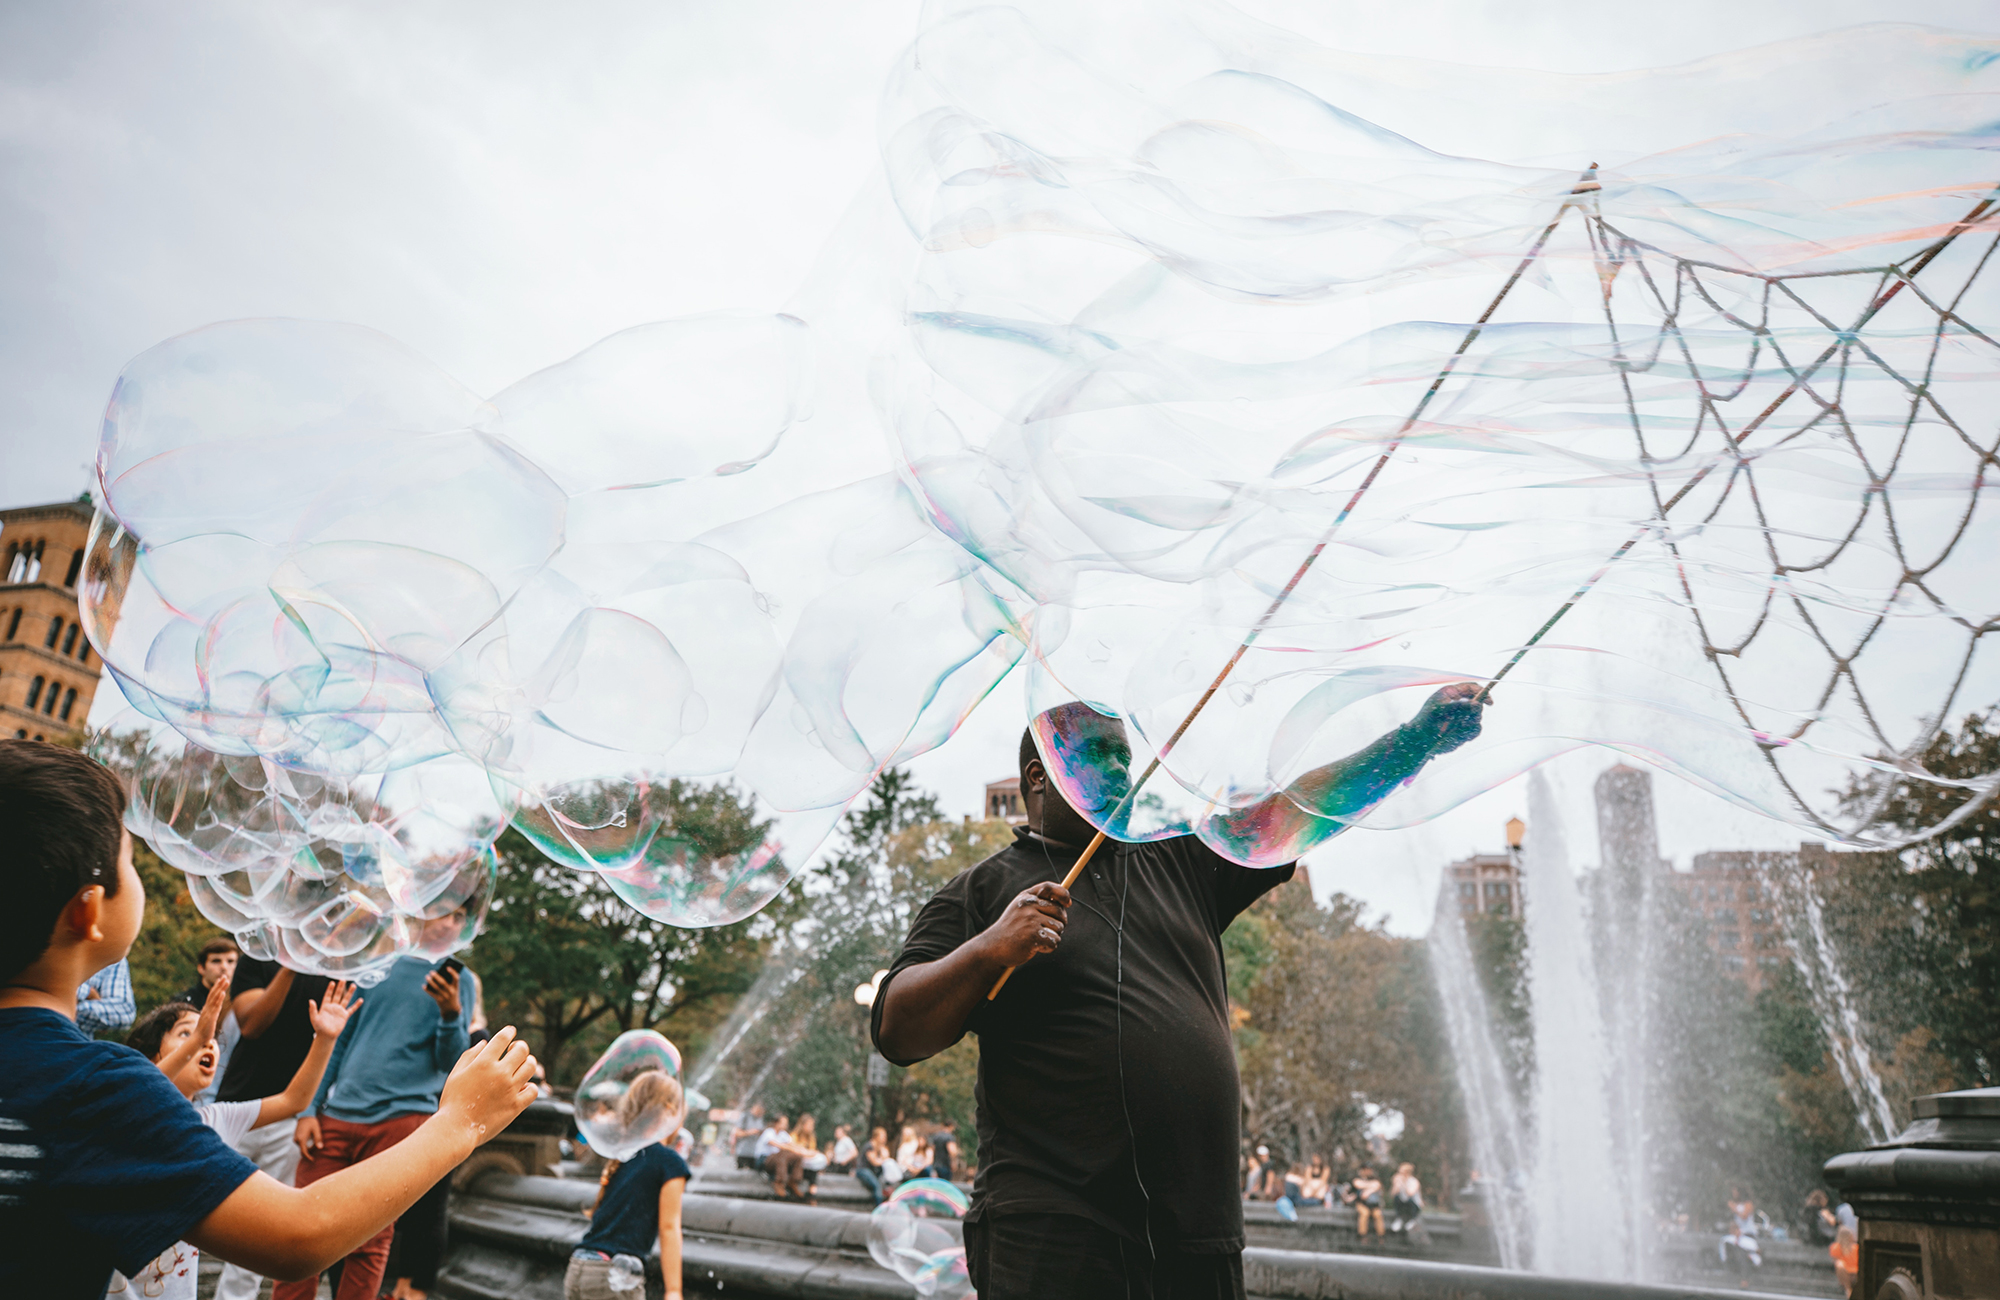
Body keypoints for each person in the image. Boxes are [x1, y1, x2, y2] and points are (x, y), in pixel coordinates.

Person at [872, 689, 1482, 1299]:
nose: (1123, 773)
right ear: (1040, 774)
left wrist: (1417, 739)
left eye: (1126, 759)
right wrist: (988, 949)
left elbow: (1300, 810)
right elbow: (898, 1030)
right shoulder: (979, 892)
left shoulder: (1180, 858)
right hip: (1053, 1231)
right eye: (1101, 756)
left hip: (1199, 1234)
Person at [0, 739, 540, 1300]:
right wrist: (460, 1123)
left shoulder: (84, 1093)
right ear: (88, 911)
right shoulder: (95, 1091)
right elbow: (296, 1236)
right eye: (131, 862)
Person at [108, 978, 359, 1300]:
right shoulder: (128, 1111)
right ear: (149, 1054)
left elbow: (293, 1100)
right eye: (186, 1033)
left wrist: (325, 1039)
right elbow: (144, 1089)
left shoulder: (217, 1119)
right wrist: (198, 1038)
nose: (207, 1041)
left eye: (212, 1036)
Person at [275, 956, 477, 1300]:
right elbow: (338, 1042)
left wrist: (450, 1013)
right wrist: (308, 1109)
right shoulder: (377, 966)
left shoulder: (462, 981)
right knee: (297, 1230)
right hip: (336, 1115)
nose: (446, 926)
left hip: (403, 1119)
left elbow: (451, 1062)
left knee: (370, 1241)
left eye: (456, 923)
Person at [209, 954, 331, 1300]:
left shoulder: (337, 966)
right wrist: (291, 965)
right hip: (237, 1108)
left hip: (293, 1115)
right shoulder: (258, 957)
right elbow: (251, 1024)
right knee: (189, 1209)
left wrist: (311, 1110)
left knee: (259, 1232)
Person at [570, 1071, 689, 1300]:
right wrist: (673, 1290)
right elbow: (669, 1228)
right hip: (615, 1274)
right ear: (670, 1112)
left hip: (579, 1265)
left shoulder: (623, 1154)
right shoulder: (669, 1162)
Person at [174, 938, 242, 1103]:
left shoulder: (242, 1004)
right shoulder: (184, 1003)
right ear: (201, 968)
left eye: (231, 961)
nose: (224, 967)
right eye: (216, 961)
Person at [75, 955, 135, 1037]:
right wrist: (88, 993)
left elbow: (124, 1013)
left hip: (77, 1041)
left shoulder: (114, 956)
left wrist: (70, 1007)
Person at [857, 1127, 894, 1205]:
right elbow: (874, 1162)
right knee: (877, 1185)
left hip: (872, 1171)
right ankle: (878, 1206)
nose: (885, 1138)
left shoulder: (879, 1147)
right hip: (863, 1170)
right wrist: (884, 1160)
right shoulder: (869, 1146)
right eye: (883, 1136)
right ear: (876, 1137)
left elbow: (885, 1157)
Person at [1350, 1168, 1385, 1239]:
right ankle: (1362, 1234)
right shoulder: (1357, 1178)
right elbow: (1357, 1184)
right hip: (1361, 1203)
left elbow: (1378, 1185)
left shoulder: (1375, 1178)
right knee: (1364, 1213)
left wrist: (1368, 1191)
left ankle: (1381, 1235)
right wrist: (1371, 1185)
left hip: (1373, 1204)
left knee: (1378, 1214)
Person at [731, 1103, 766, 1170]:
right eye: (759, 1111)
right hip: (742, 1151)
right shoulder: (745, 1117)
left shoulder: (760, 1119)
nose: (761, 1113)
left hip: (754, 1152)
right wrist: (749, 1132)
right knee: (740, 1171)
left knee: (753, 1172)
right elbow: (737, 1132)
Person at [1389, 1163, 1423, 1233]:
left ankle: (1412, 1220)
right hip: (1403, 1203)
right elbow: (1392, 1195)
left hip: (1413, 1204)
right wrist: (1395, 1184)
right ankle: (1399, 1219)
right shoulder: (1399, 1181)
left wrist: (1403, 1183)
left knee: (1410, 1200)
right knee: (1397, 1198)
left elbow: (1410, 1194)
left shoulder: (1414, 1181)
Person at [926, 1118, 960, 1182]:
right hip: (945, 1165)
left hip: (936, 1165)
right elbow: (952, 1151)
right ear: (951, 1126)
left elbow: (932, 1150)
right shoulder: (949, 1137)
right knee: (945, 1183)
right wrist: (954, 1162)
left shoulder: (936, 1136)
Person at [1830, 1225, 1858, 1298]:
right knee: (1839, 1265)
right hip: (1845, 1273)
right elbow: (1836, 1262)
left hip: (1856, 1272)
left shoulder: (1856, 1248)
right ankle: (1848, 1289)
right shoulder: (1836, 1247)